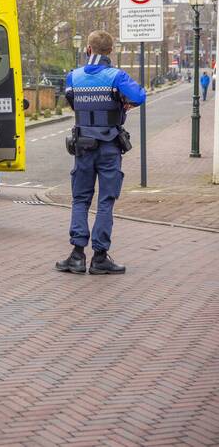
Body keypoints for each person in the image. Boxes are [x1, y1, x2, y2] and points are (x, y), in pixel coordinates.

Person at [56, 30, 145, 276]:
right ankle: (100, 257)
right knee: (105, 201)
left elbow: (72, 102)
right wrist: (125, 103)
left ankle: (76, 256)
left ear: (88, 49)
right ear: (110, 51)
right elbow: (139, 96)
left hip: (83, 146)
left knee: (80, 199)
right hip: (109, 147)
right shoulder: (117, 76)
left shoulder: (74, 76)